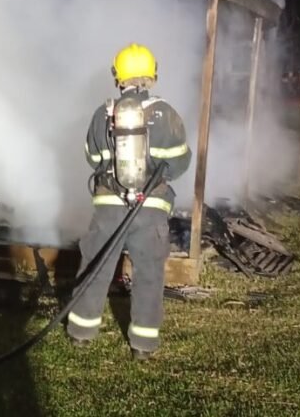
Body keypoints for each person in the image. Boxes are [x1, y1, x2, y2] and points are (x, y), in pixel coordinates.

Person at [67, 43, 191, 361]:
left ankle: (81, 333)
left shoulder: (102, 113)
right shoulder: (167, 114)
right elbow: (178, 164)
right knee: (149, 273)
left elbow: (92, 158)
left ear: (117, 77)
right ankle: (143, 346)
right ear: (152, 75)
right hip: (150, 208)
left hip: (109, 206)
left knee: (96, 267)